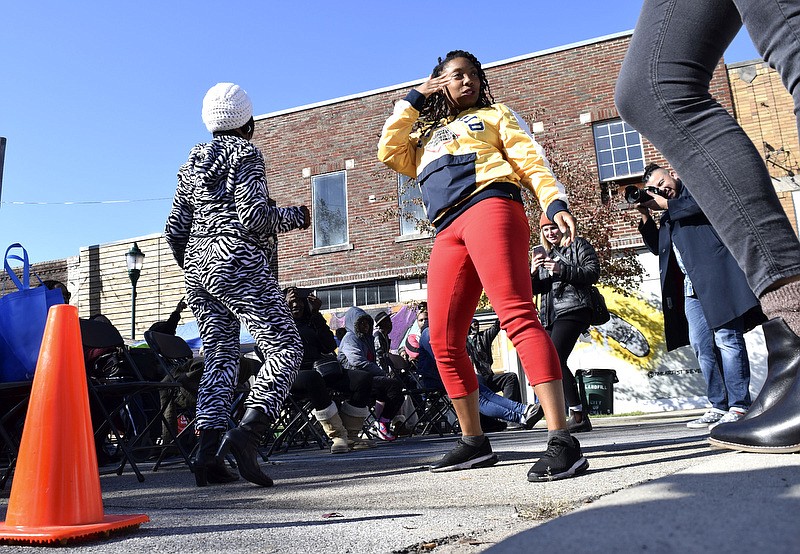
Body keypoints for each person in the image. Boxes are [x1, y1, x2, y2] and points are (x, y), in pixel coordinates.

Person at [378, 49, 588, 481]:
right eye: (455, 75)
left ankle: (562, 439)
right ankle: (474, 441)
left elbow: (531, 159)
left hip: (492, 206)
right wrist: (417, 96)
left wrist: (553, 202)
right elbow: (386, 149)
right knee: (442, 338)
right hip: (446, 228)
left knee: (516, 316)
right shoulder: (421, 140)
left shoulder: (495, 116)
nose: (467, 81)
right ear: (439, 82)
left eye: (473, 74)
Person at [615, 0, 800, 453]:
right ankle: (793, 329)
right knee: (649, 89)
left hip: (715, 274)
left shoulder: (685, 195)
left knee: (786, 25)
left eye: (660, 182)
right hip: (692, 282)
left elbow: (692, 213)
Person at [165, 82, 310, 487]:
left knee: (219, 358)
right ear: (247, 120)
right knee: (285, 347)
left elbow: (174, 229)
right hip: (238, 261)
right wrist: (298, 215)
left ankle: (207, 455)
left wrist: (198, 264)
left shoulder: (191, 162)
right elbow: (254, 218)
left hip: (197, 266)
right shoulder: (246, 153)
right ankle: (249, 432)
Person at [635, 164, 765, 429]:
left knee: (727, 339)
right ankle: (718, 405)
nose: (661, 189)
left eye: (662, 182)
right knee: (702, 346)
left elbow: (696, 207)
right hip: (691, 289)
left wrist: (666, 205)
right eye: (655, 188)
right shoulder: (670, 213)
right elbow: (658, 248)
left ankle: (740, 405)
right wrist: (647, 216)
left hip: (717, 280)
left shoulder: (696, 191)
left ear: (673, 173)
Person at [531, 213, 601, 433]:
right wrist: (532, 272)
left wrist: (561, 269)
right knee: (549, 362)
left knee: (555, 358)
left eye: (554, 228)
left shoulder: (578, 245)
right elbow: (536, 289)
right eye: (546, 230)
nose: (551, 233)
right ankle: (575, 413)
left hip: (575, 308)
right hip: (551, 315)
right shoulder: (544, 254)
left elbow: (592, 273)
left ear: (563, 227)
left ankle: (578, 415)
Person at [285, 287, 375, 452]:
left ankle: (351, 435)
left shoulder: (311, 320)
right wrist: (283, 310)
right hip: (291, 373)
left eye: (300, 301)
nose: (297, 304)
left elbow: (329, 345)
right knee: (313, 378)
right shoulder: (278, 322)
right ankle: (338, 435)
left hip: (322, 369)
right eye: (292, 301)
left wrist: (316, 315)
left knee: (363, 378)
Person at [418, 327, 543, 430]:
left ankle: (525, 410)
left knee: (485, 392)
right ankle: (519, 417)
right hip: (439, 380)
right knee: (479, 400)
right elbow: (442, 360)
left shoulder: (440, 332)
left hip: (452, 374)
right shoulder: (428, 334)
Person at [337, 306, 405, 441]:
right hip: (354, 379)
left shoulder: (366, 339)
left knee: (395, 390)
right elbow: (357, 362)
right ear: (353, 324)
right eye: (361, 323)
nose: (365, 325)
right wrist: (380, 373)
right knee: (392, 386)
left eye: (367, 322)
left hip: (367, 378)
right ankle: (381, 423)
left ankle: (382, 422)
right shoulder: (350, 338)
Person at [466, 317, 523, 402]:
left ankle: (511, 408)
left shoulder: (483, 337)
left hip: (487, 376)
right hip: (473, 380)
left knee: (511, 377)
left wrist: (503, 313)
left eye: (478, 325)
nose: (477, 327)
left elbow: (496, 327)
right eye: (475, 325)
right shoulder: (462, 343)